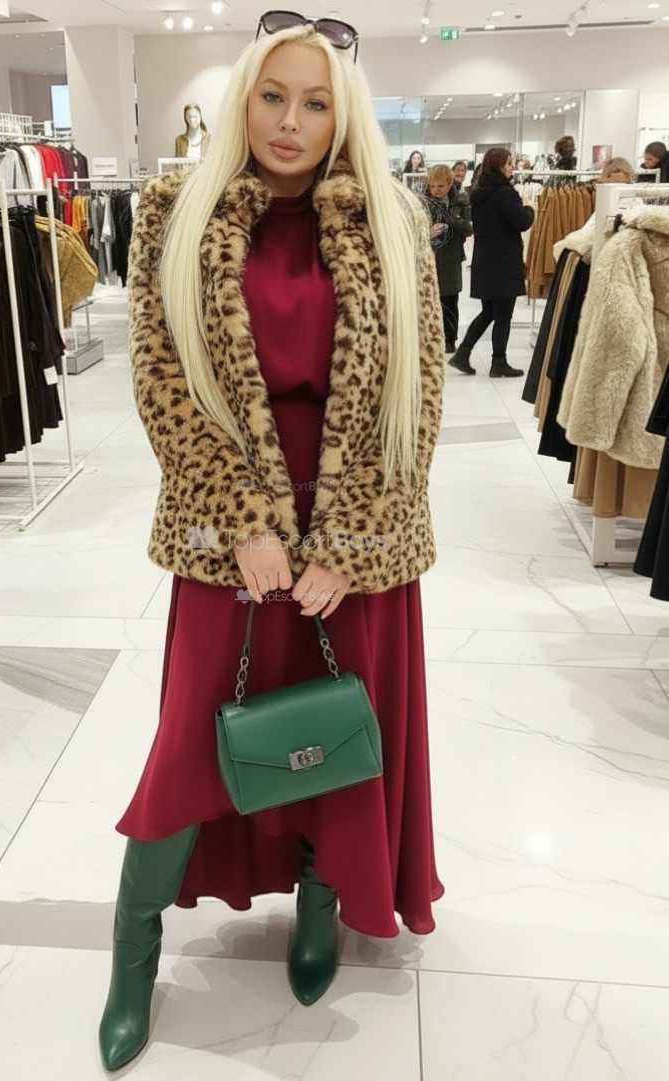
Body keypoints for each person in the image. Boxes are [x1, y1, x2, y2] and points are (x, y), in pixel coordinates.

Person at [98, 12, 445, 1072]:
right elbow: (161, 380)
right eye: (272, 96)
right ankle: (132, 950)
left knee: (338, 733)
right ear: (242, 98)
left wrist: (349, 539)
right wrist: (243, 519)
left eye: (315, 102)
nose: (290, 121)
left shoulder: (391, 220)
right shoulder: (175, 213)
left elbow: (418, 388)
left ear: (342, 115)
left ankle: (318, 904)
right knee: (187, 746)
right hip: (226, 533)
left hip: (354, 539)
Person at [449, 146, 534, 377]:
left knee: (489, 312)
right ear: (499, 166)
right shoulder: (504, 192)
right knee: (503, 314)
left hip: (485, 259)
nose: (512, 167)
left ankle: (463, 354)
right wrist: (530, 209)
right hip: (504, 261)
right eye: (508, 163)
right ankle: (498, 362)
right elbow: (521, 221)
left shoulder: (479, 192)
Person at [423, 163, 473, 352]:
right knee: (428, 300)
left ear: (450, 184)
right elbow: (411, 231)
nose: (436, 190)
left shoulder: (461, 200)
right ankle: (429, 338)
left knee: (450, 301)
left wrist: (450, 219)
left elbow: (469, 229)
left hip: (452, 258)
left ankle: (450, 340)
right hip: (428, 259)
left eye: (441, 186)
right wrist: (427, 233)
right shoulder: (422, 202)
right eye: (432, 186)